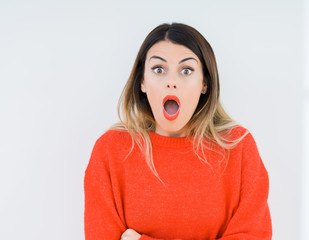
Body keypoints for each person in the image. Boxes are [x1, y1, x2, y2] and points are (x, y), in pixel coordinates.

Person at [84, 22, 272, 240]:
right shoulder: (111, 150)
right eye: (158, 69)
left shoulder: (238, 147)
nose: (171, 82)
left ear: (205, 84)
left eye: (186, 70)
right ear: (142, 81)